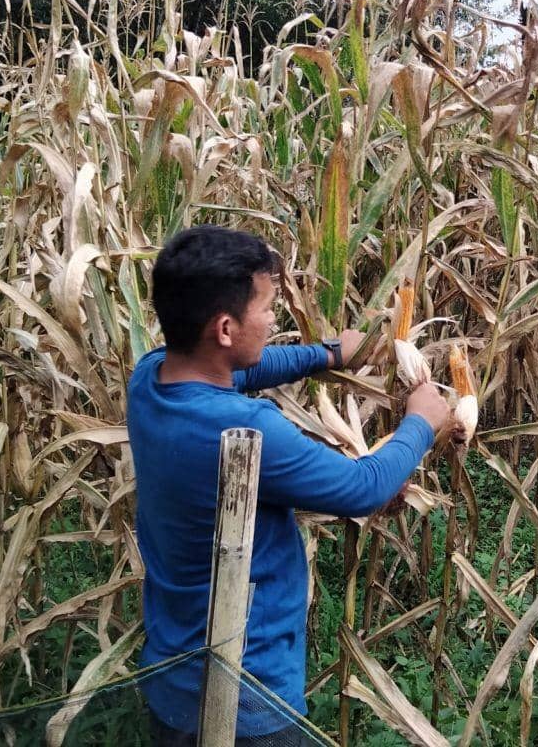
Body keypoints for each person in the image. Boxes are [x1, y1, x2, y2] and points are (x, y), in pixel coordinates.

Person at [126, 225, 450, 745]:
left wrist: (324, 354)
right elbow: (362, 488)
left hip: (169, 678)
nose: (275, 318)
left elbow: (239, 372)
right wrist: (420, 424)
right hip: (250, 698)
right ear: (227, 329)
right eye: (267, 307)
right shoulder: (247, 433)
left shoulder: (148, 379)